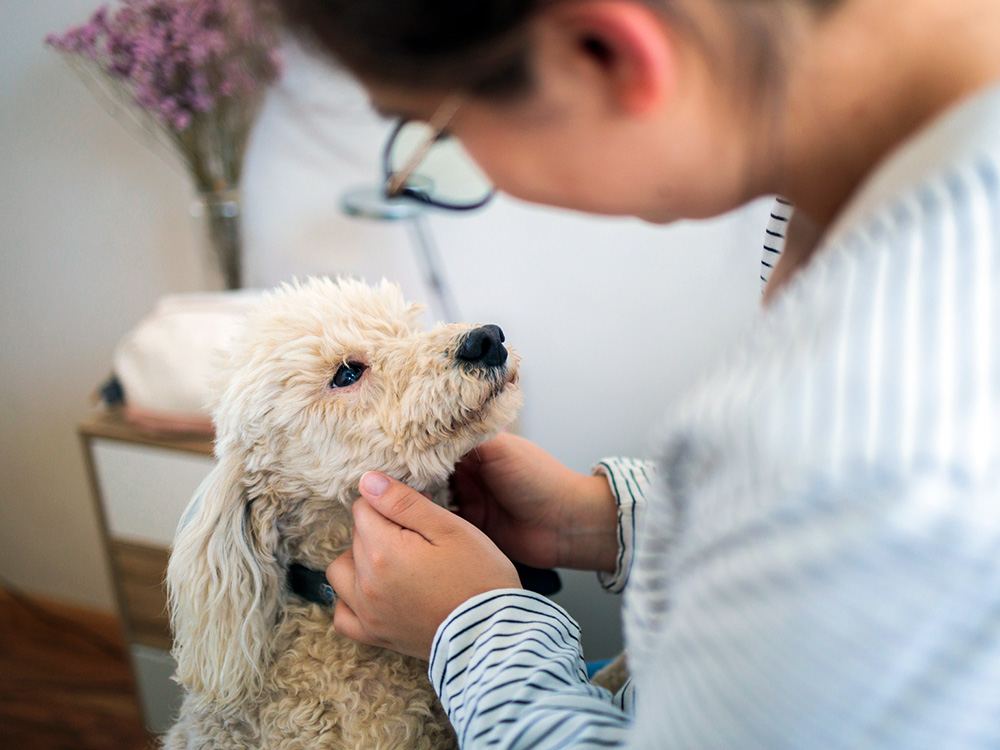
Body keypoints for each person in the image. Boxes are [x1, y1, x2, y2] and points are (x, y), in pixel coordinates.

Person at [273, 0, 1000, 745]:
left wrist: (478, 629)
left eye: (441, 133)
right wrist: (605, 519)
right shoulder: (896, 207)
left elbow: (824, 510)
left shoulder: (873, 432)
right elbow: (842, 576)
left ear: (601, 51)